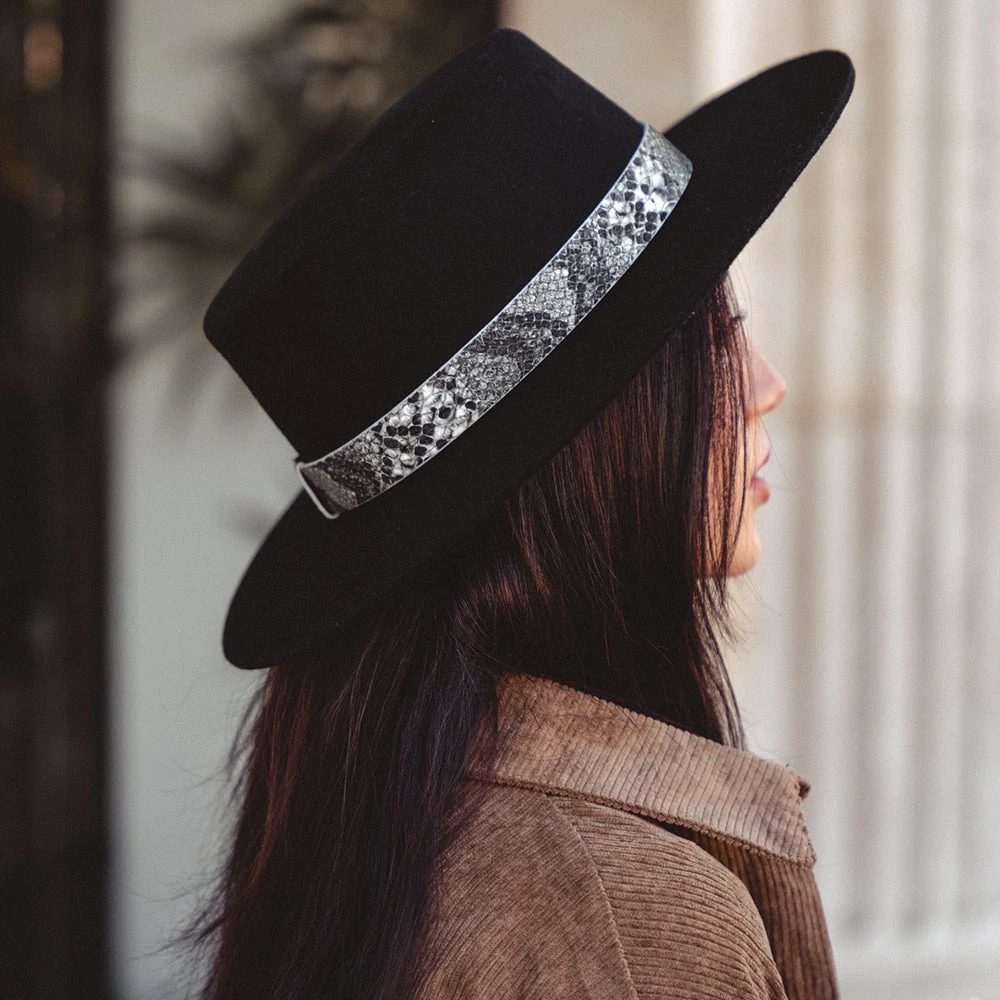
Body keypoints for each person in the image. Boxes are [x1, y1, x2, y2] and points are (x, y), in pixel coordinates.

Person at [187, 28, 854, 1000]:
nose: (768, 384)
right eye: (716, 335)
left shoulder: (376, 804)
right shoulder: (636, 919)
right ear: (596, 435)